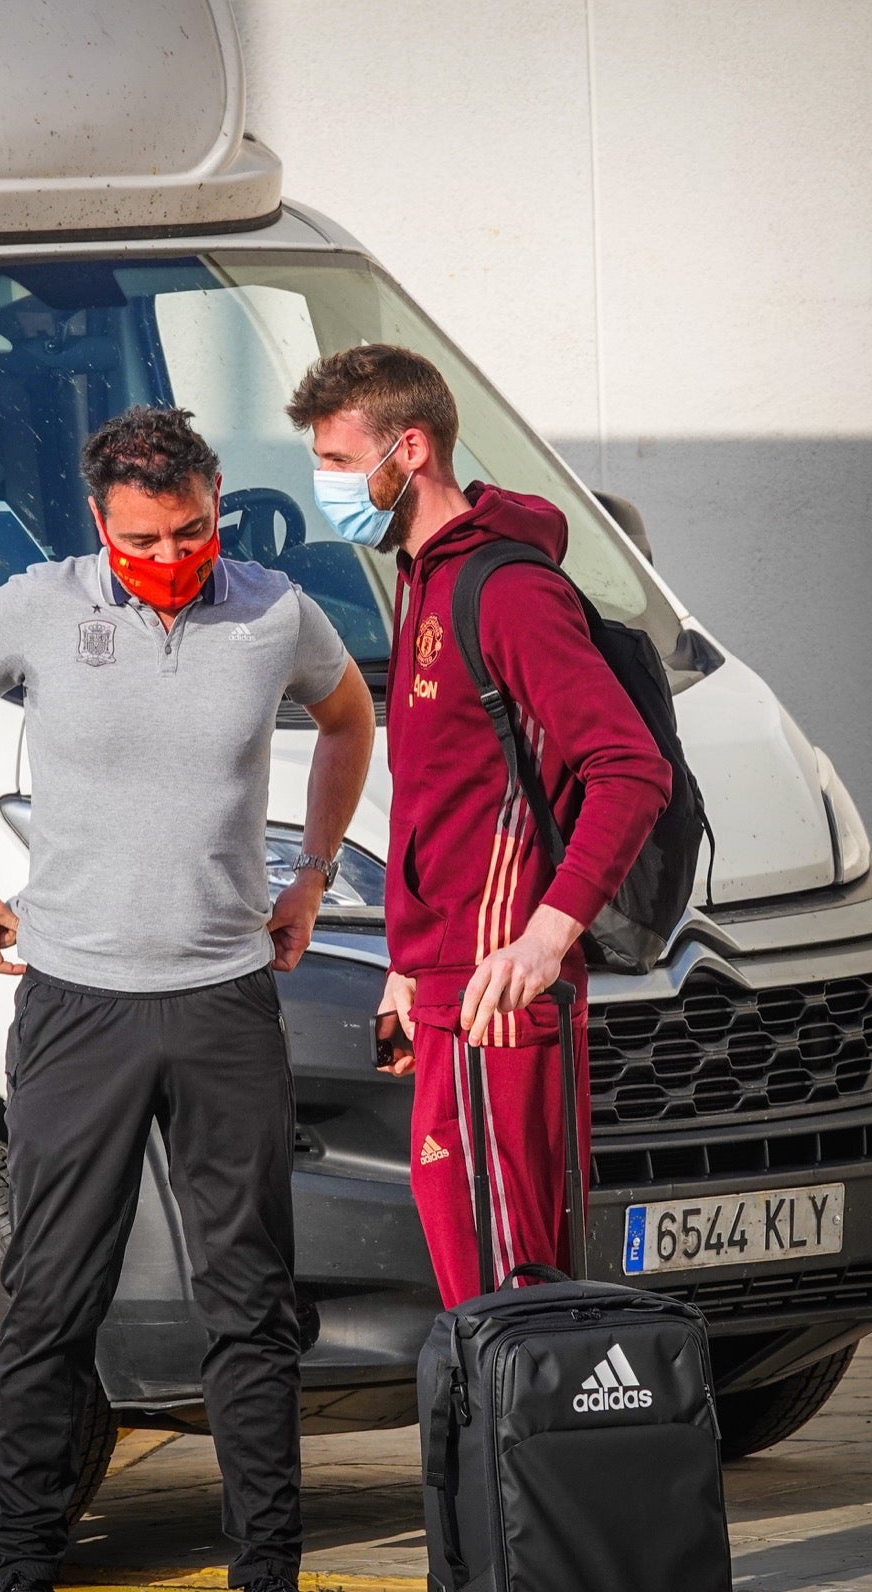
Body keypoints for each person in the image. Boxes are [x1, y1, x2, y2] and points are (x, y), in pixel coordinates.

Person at [0, 406, 375, 1592]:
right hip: (78, 1008)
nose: (169, 560)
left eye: (192, 532)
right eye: (144, 541)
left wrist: (308, 871)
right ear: (98, 523)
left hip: (222, 1006)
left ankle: (269, 1571)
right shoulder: (39, 605)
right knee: (52, 1299)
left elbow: (349, 714)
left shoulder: (271, 611)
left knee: (250, 1305)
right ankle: (22, 1567)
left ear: (216, 502)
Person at [287, 345, 672, 1310]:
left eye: (337, 461)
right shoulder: (422, 574)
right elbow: (442, 796)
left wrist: (546, 937)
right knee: (471, 1278)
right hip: (446, 989)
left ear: (408, 449)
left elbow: (630, 770)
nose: (326, 485)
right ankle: (487, 1463)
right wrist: (409, 963)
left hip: (501, 997)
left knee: (514, 1288)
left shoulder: (506, 591)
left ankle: (525, 1465)